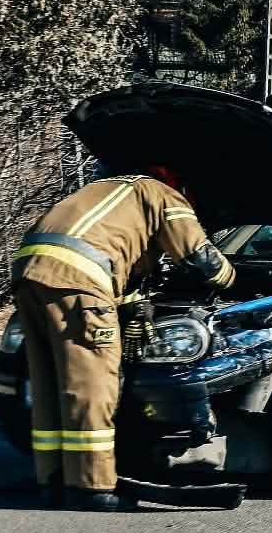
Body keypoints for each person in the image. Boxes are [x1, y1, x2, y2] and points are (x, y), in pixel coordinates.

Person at [12, 167, 236, 510]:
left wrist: (134, 306)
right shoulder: (164, 195)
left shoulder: (108, 191)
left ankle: (55, 479)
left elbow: (120, 262)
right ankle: (92, 487)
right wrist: (234, 279)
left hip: (31, 273)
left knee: (49, 384)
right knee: (92, 385)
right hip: (79, 279)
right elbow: (198, 256)